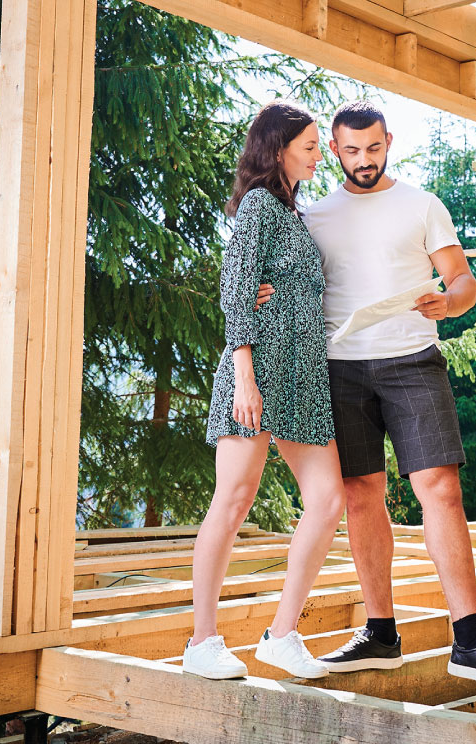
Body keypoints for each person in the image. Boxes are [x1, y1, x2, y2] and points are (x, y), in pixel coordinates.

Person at [276, 101, 476, 689]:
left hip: (412, 361)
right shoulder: (312, 215)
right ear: (334, 149)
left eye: (373, 148)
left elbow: (463, 280)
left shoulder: (421, 204)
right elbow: (289, 285)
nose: (363, 160)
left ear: (388, 141)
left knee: (439, 488)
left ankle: (470, 638)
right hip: (339, 368)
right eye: (350, 150)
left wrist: (451, 301)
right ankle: (380, 632)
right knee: (361, 496)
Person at [182, 100, 346, 681]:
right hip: (255, 371)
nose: (318, 154)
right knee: (232, 501)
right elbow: (236, 290)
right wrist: (245, 376)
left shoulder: (294, 213)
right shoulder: (257, 206)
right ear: (277, 149)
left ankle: (281, 635)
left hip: (303, 374)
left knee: (327, 501)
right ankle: (202, 642)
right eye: (309, 145)